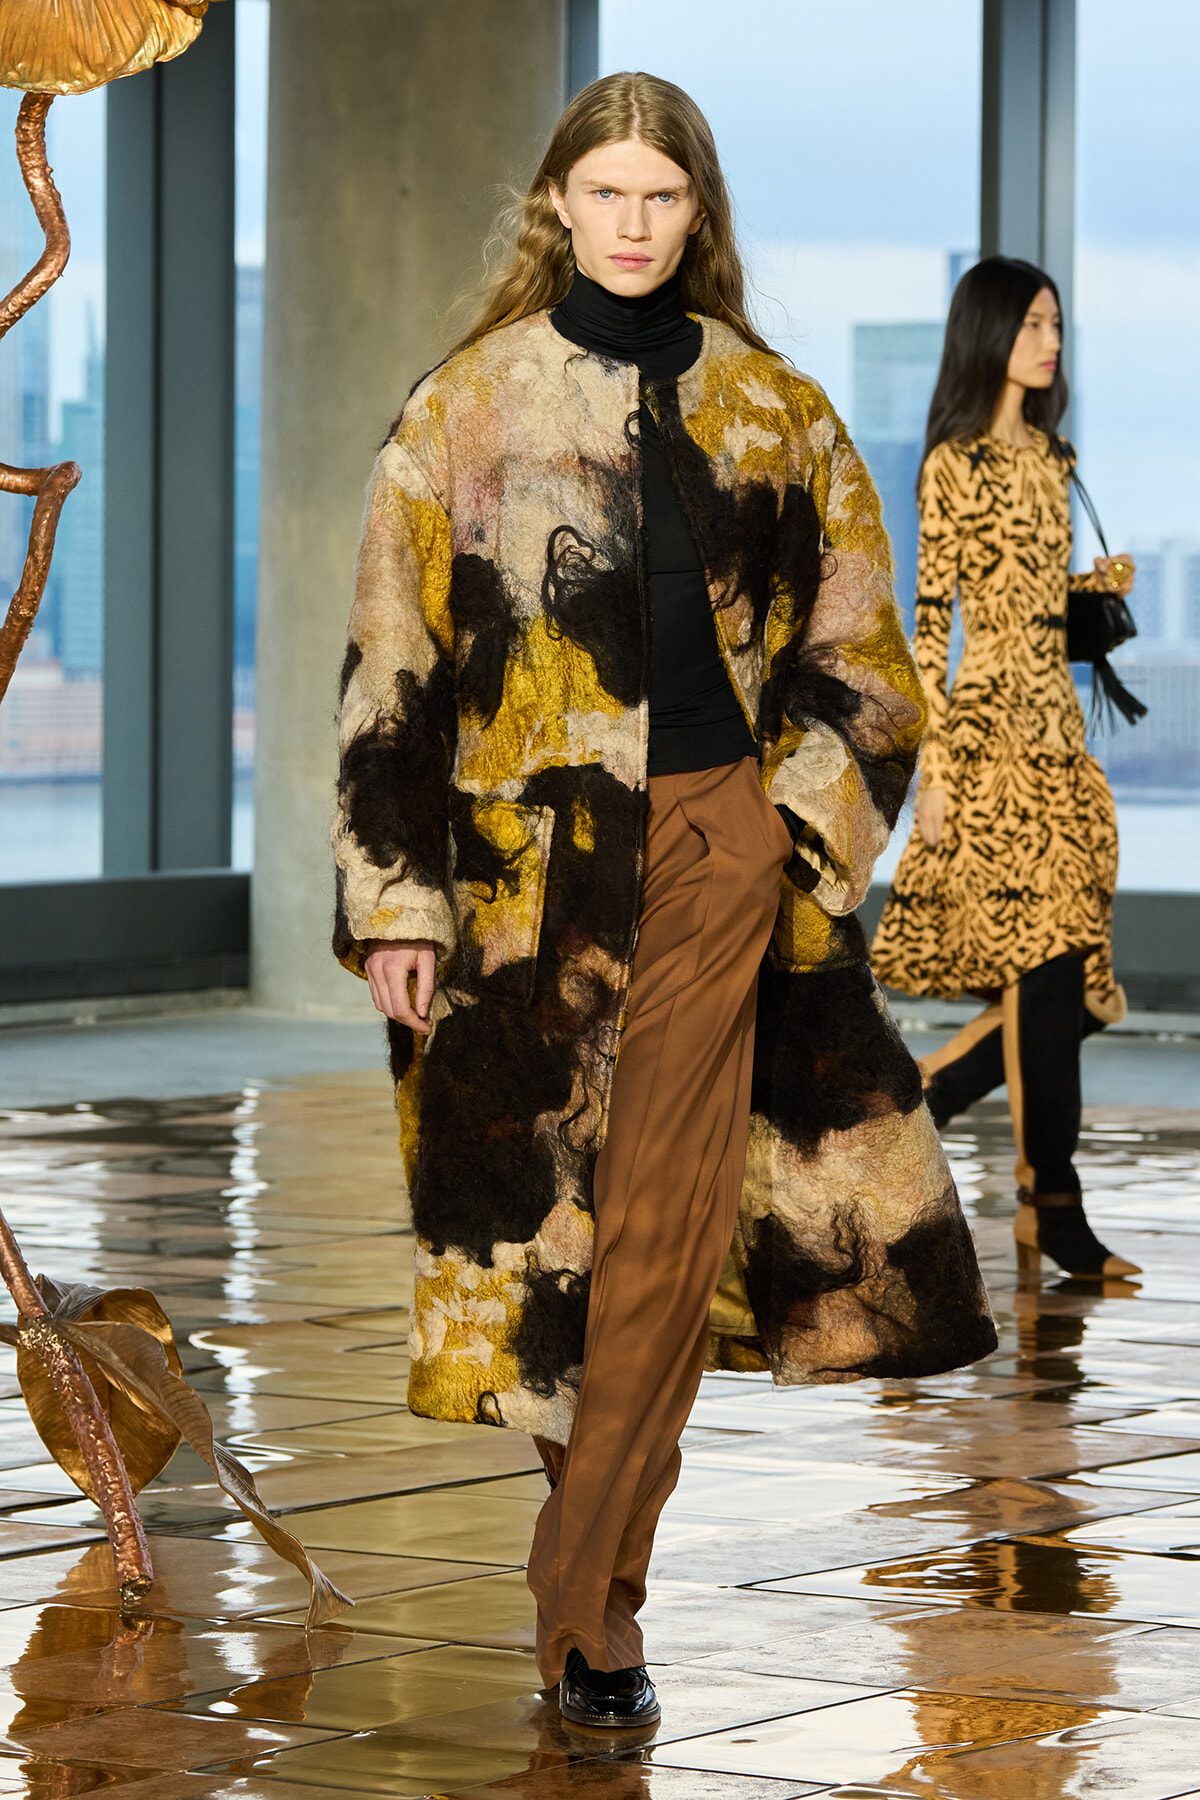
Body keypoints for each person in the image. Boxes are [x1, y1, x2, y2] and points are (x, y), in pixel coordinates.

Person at [332, 72, 996, 1730]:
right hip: (512, 888)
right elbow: (389, 675)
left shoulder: (773, 411)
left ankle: (582, 1613)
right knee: (559, 1246)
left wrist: (792, 828)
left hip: (716, 855)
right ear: (556, 202)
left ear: (699, 215)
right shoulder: (462, 412)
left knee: (664, 1228)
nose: (634, 224)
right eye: (606, 193)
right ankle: (597, 1584)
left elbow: (869, 669)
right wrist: (396, 904)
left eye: (663, 197)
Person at [871, 256, 1140, 1283]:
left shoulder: (1053, 460)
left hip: (1057, 737)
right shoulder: (955, 466)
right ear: (990, 332)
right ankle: (1052, 1206)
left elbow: (1034, 612)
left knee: (1062, 985)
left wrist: (1085, 592)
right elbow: (931, 622)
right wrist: (929, 771)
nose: (1050, 340)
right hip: (984, 744)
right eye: (1032, 323)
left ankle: (923, 1116)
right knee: (1050, 978)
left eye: (1056, 323)